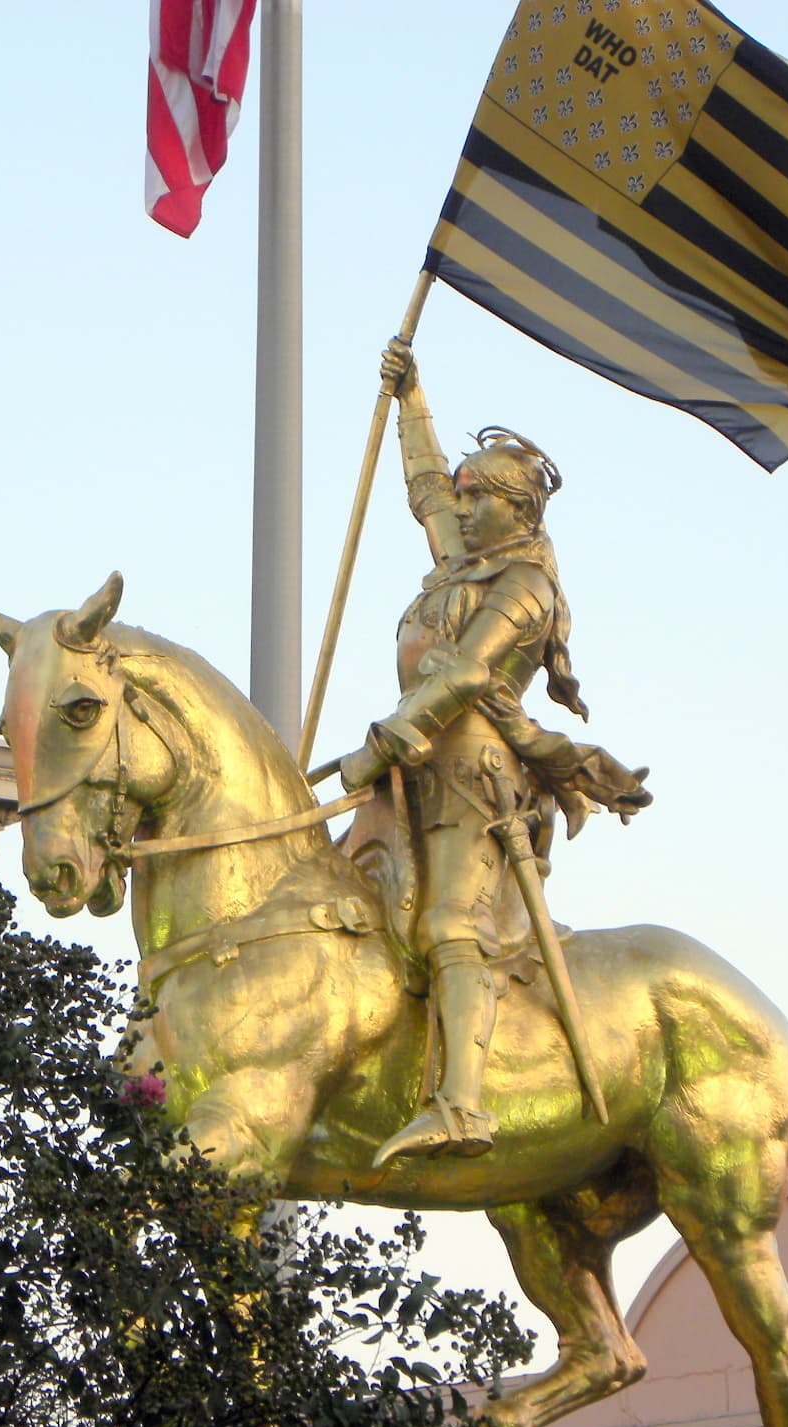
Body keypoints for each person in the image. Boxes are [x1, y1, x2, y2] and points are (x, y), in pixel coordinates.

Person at [340, 340, 651, 1165]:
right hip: (414, 764)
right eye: (466, 493)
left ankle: (463, 1106)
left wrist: (385, 740)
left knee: (449, 921)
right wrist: (411, 400)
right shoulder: (463, 562)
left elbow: (473, 671)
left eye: (479, 496)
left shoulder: (525, 586)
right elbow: (423, 489)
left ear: (519, 511)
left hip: (473, 776)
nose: (461, 503)